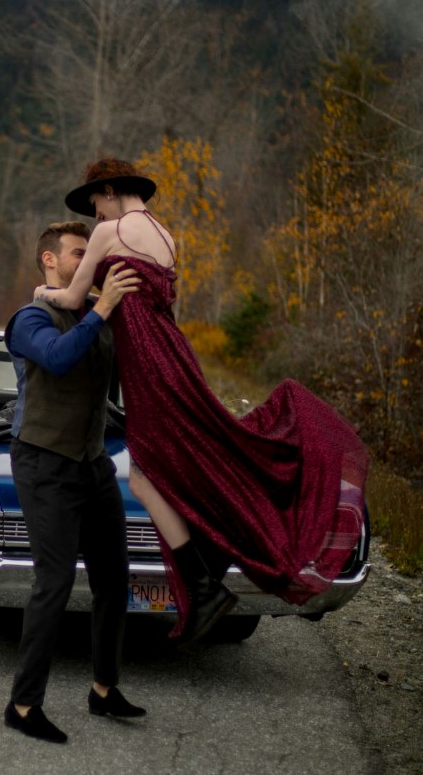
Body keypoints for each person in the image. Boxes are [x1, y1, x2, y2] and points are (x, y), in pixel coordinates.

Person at [34, 158, 369, 648]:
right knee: (184, 462)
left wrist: (43, 290)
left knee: (147, 473)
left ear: (109, 190)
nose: (96, 217)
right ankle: (207, 570)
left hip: (149, 365)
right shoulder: (166, 237)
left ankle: (206, 581)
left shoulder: (113, 232)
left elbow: (73, 297)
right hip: (174, 354)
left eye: (95, 205)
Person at [4, 220, 147, 745]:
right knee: (54, 583)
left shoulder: (95, 316)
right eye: (79, 253)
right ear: (50, 261)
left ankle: (103, 690)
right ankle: (22, 706)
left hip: (92, 463)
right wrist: (103, 308)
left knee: (114, 577)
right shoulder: (29, 318)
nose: (90, 261)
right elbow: (59, 360)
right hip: (43, 464)